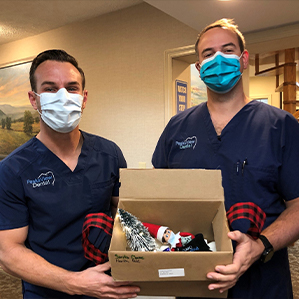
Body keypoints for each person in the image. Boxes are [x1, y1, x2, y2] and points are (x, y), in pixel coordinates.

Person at [152, 19, 299, 299]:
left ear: (243, 60)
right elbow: (159, 201)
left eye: (227, 50)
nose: (217, 59)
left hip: (262, 283)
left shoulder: (281, 126)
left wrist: (261, 245)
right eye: (208, 54)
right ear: (199, 68)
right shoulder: (177, 128)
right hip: (193, 282)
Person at [0, 49, 140, 299]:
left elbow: (127, 216)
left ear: (84, 97)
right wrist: (73, 283)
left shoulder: (109, 153)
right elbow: (9, 252)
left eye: (72, 88)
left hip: (108, 288)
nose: (63, 97)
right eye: (50, 89)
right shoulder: (13, 170)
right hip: (48, 290)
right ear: (34, 99)